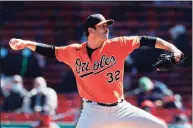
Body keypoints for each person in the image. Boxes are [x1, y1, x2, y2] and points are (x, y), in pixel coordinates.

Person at [9, 14, 183, 128]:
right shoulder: (74, 52)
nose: (106, 29)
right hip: (93, 112)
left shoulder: (118, 44)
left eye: (107, 26)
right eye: (102, 26)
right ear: (90, 30)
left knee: (159, 126)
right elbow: (50, 50)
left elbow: (148, 40)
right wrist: (25, 43)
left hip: (121, 108)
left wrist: (173, 49)